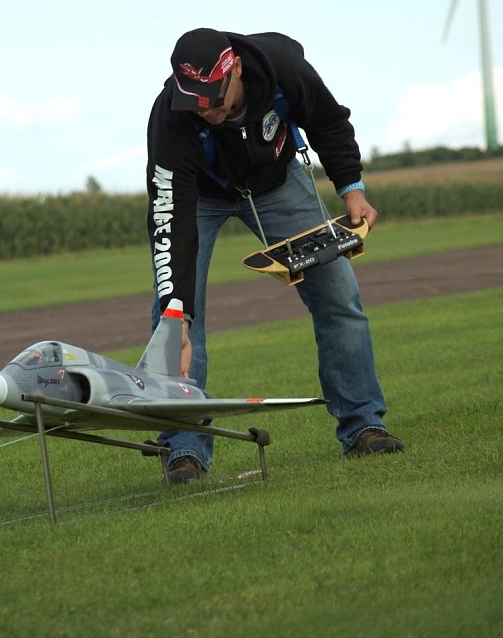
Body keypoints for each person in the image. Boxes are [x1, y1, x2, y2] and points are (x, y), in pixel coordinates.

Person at [146, 27, 404, 483]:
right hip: (200, 200)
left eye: (212, 97)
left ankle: (364, 424)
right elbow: (171, 221)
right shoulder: (171, 116)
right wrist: (175, 314)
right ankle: (184, 449)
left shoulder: (282, 65)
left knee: (338, 295)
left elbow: (326, 120)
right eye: (194, 100)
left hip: (278, 182)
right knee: (177, 323)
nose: (204, 110)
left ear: (236, 69)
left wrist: (351, 189)